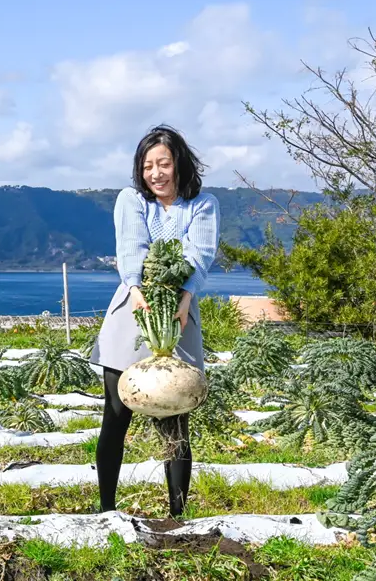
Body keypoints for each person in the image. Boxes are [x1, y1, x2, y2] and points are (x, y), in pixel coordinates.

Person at [90, 125, 220, 518]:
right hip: (135, 308)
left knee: (175, 418)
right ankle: (106, 509)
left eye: (163, 163)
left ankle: (177, 514)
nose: (156, 173)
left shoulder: (203, 204)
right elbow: (131, 247)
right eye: (148, 166)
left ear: (180, 163)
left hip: (178, 314)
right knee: (115, 415)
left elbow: (200, 255)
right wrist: (135, 287)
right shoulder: (132, 200)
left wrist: (184, 298)